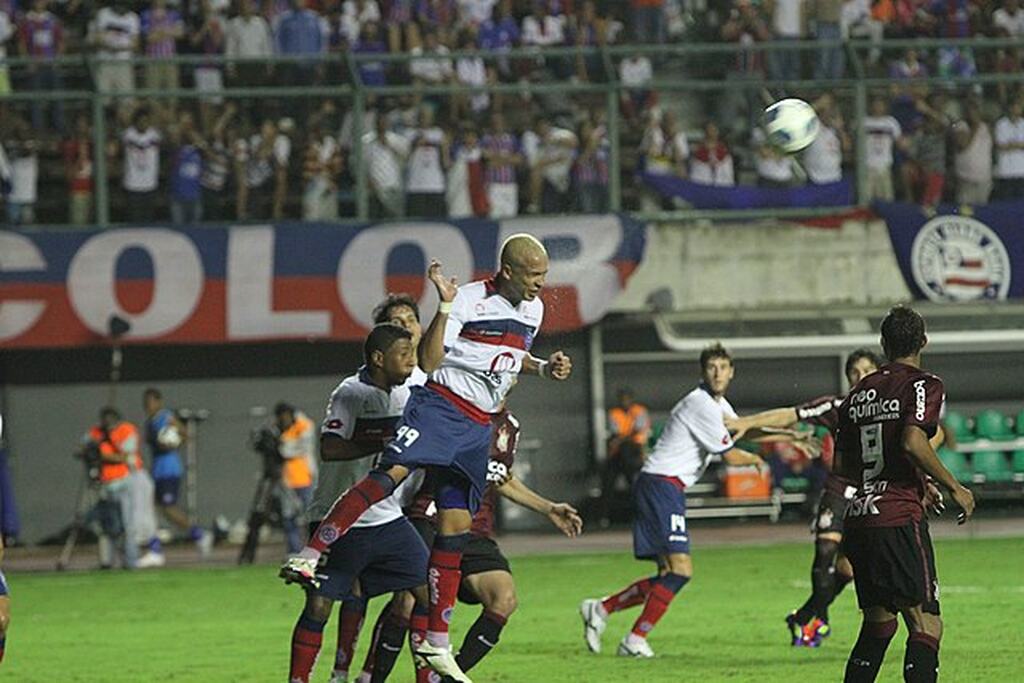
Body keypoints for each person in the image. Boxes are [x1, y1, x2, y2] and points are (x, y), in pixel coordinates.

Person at [282, 234, 573, 682]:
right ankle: (310, 552)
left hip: (479, 425)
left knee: (455, 526)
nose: (541, 283)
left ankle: (437, 641)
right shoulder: (470, 301)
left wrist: (540, 366)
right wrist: (443, 307)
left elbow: (510, 358)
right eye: (534, 275)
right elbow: (432, 361)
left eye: (544, 275)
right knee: (391, 474)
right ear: (509, 271)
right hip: (445, 407)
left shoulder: (533, 309)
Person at [358, 406, 583, 683]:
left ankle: (447, 677)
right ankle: (371, 678)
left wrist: (548, 508)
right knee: (409, 599)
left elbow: (501, 477)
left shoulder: (509, 424)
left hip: (475, 531)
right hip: (431, 517)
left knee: (504, 599)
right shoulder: (451, 410)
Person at [579, 343, 765, 658]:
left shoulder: (718, 405)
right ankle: (635, 639)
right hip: (660, 486)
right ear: (703, 371)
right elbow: (731, 455)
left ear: (732, 372)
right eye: (711, 367)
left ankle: (601, 609)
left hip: (664, 487)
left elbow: (747, 430)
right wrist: (755, 459)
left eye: (723, 367)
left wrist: (793, 435)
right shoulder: (701, 404)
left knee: (669, 574)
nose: (717, 373)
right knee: (680, 571)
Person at [836, 305, 975, 683]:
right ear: (924, 341)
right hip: (897, 519)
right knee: (926, 624)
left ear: (883, 344)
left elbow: (842, 469)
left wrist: (916, 480)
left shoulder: (857, 394)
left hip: (860, 516)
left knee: (879, 626)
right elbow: (914, 441)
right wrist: (953, 486)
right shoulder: (923, 384)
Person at [289, 323, 429, 683]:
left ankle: (418, 675)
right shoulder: (350, 393)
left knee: (430, 592)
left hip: (387, 517)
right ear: (379, 359)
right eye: (405, 354)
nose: (412, 361)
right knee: (320, 604)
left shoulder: (411, 390)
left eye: (414, 352)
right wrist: (387, 441)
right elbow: (330, 448)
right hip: (335, 517)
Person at [726, 349, 887, 646]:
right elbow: (792, 414)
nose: (860, 376)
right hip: (839, 490)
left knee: (848, 570)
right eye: (854, 372)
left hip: (871, 495)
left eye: (866, 370)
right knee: (826, 552)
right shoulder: (837, 405)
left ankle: (802, 617)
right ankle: (818, 620)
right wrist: (746, 422)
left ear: (878, 373)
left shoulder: (891, 407)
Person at [139, 389, 212, 567]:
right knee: (154, 509)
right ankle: (155, 550)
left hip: (169, 469)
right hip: (157, 470)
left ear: (158, 402)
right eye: (145, 403)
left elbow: (185, 434)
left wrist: (174, 441)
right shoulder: (150, 422)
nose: (148, 406)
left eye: (150, 402)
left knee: (168, 508)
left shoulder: (166, 417)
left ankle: (200, 535)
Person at [80, 407, 144, 570]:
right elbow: (82, 448)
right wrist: (91, 451)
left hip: (124, 482)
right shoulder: (97, 432)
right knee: (110, 526)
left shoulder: (126, 430)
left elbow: (126, 455)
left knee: (128, 524)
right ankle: (109, 561)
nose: (107, 423)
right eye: (104, 420)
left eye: (110, 420)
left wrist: (103, 452)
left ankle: (131, 561)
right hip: (105, 485)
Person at [598, 389, 650, 526]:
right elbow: (615, 432)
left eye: (627, 399)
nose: (624, 402)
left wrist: (621, 439)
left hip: (634, 452)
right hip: (618, 454)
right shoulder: (615, 413)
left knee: (635, 485)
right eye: (622, 399)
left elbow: (638, 430)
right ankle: (604, 517)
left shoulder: (639, 411)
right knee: (608, 484)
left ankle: (641, 515)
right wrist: (621, 439)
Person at [275, 402, 317, 555]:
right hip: (286, 480)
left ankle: (314, 549)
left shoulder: (302, 425)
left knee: (311, 516)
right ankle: (294, 551)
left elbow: (297, 448)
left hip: (305, 478)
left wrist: (284, 445)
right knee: (289, 518)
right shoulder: (279, 429)